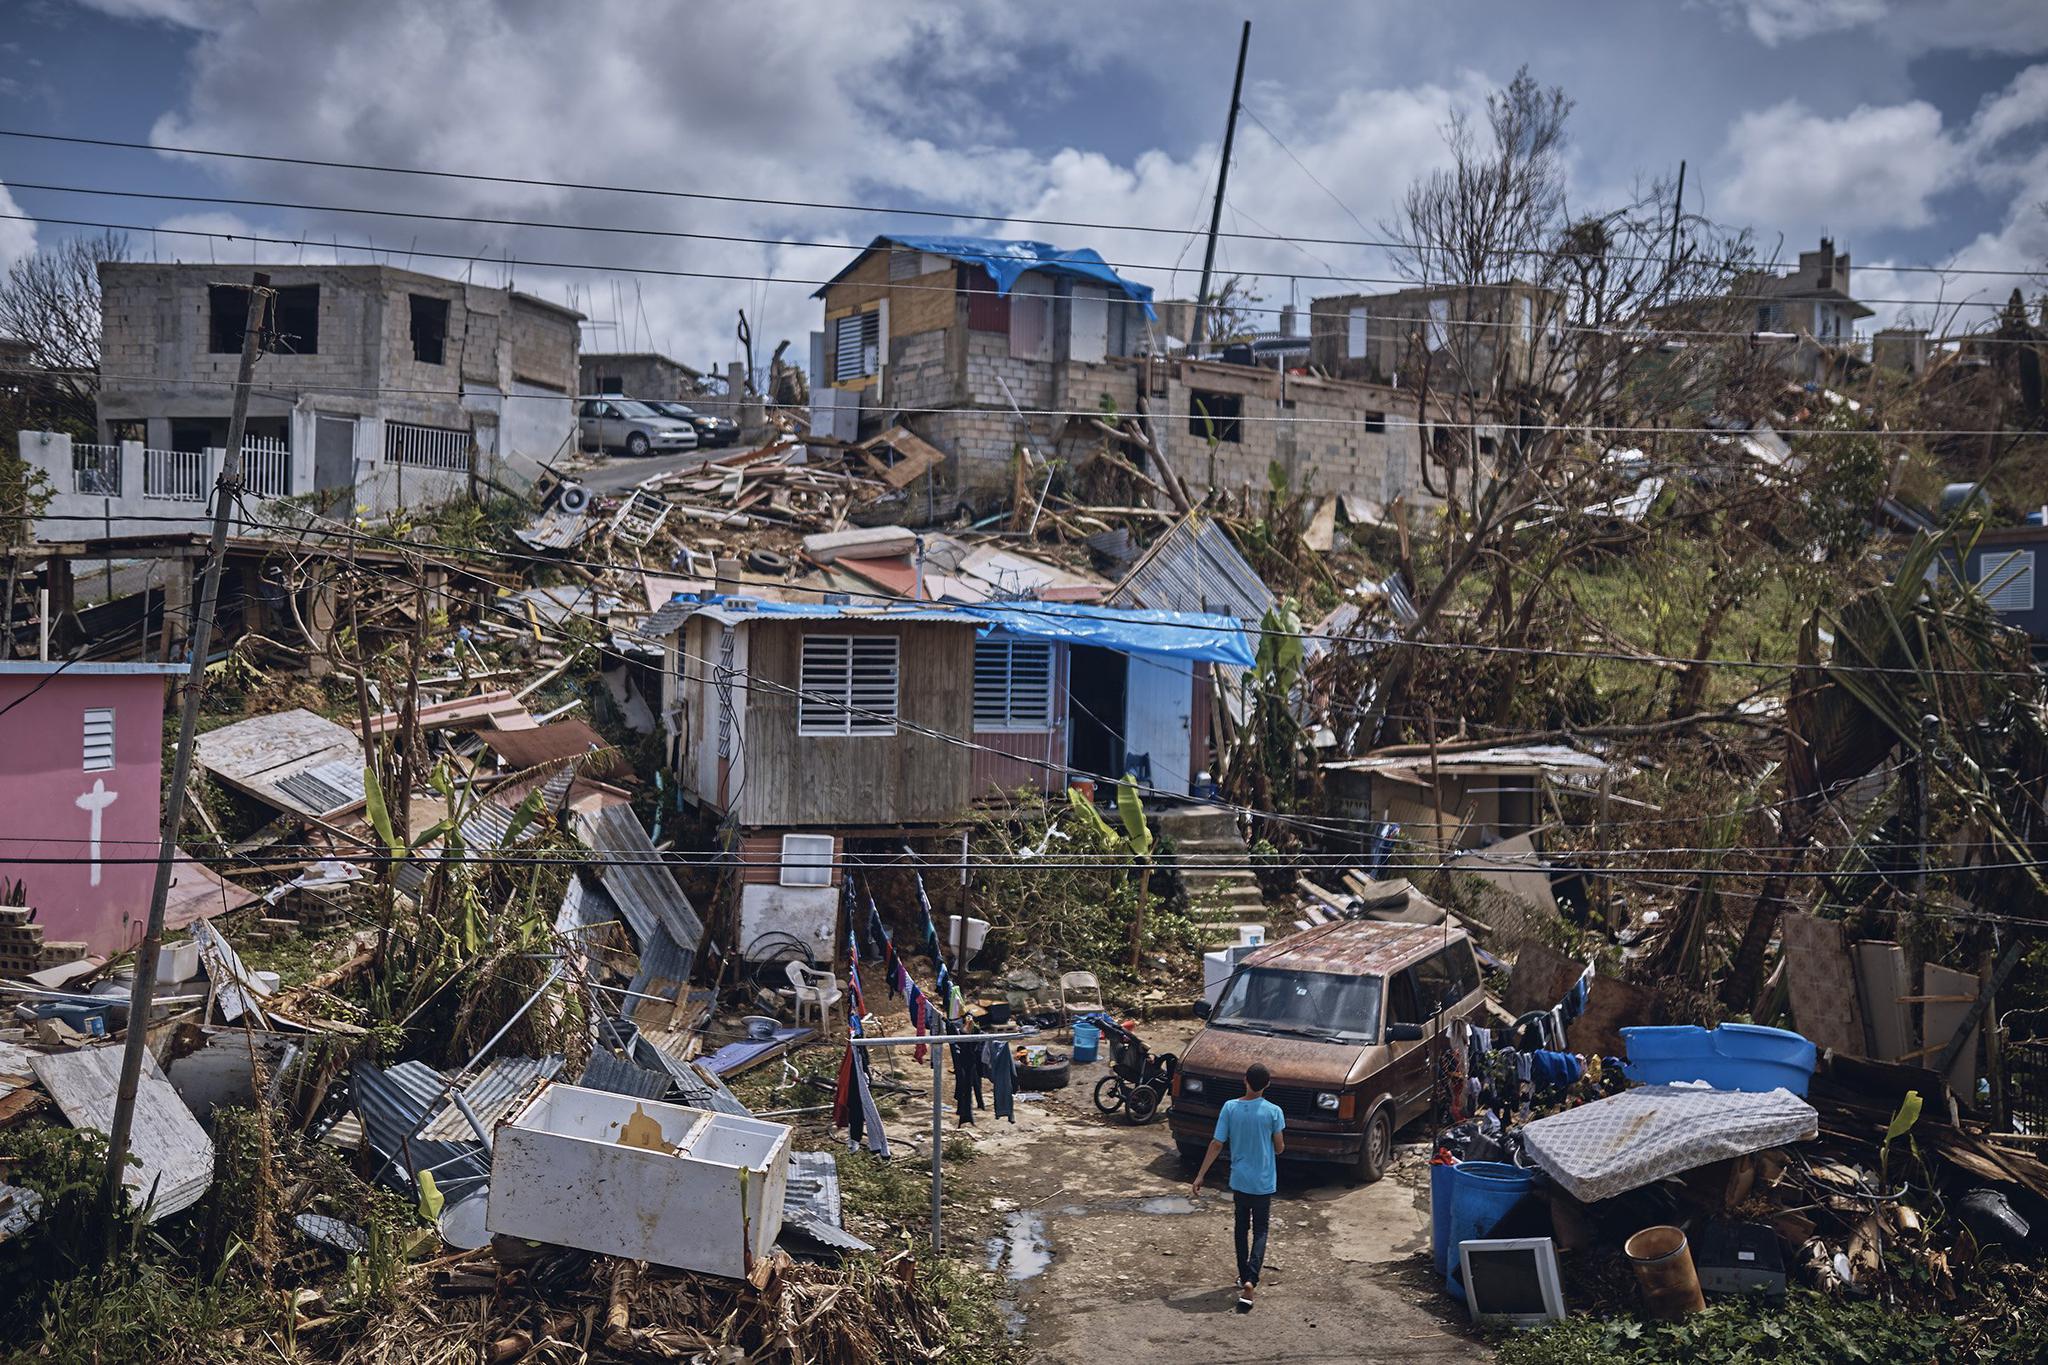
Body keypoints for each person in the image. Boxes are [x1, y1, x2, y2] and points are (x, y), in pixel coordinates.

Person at [1189, 1062, 1286, 1312]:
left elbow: (1217, 1143)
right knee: (1261, 1230)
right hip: (1264, 1182)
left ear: (1245, 1080)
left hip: (1240, 1180)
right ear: (1267, 1085)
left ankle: (1244, 1276)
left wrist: (1201, 1175)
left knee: (1241, 1228)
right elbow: (1279, 1147)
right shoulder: (1274, 1111)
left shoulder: (1230, 1108)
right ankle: (1252, 1280)